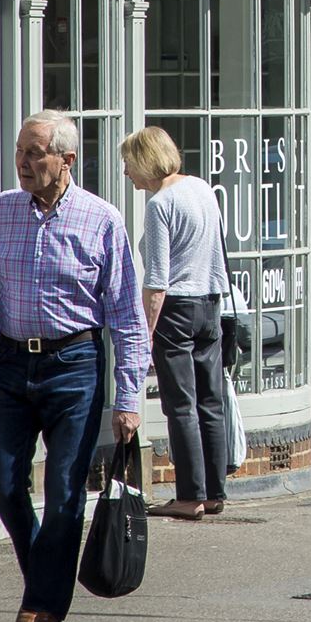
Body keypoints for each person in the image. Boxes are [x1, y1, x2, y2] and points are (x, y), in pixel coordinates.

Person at [0, 111, 149, 622]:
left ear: (66, 160)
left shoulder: (102, 220)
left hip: (74, 364)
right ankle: (43, 584)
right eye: (19, 152)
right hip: (8, 362)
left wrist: (128, 398)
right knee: (3, 485)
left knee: (64, 492)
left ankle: (47, 610)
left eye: (34, 153)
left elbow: (126, 316)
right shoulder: (0, 213)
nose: (22, 163)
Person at [123, 125, 232, 521]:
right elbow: (218, 252)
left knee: (180, 405)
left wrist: (145, 332)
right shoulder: (202, 188)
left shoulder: (160, 204)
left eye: (128, 164)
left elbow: (157, 279)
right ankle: (215, 491)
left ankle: (190, 495)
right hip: (210, 304)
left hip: (176, 310)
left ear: (144, 161)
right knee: (210, 401)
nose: (125, 173)